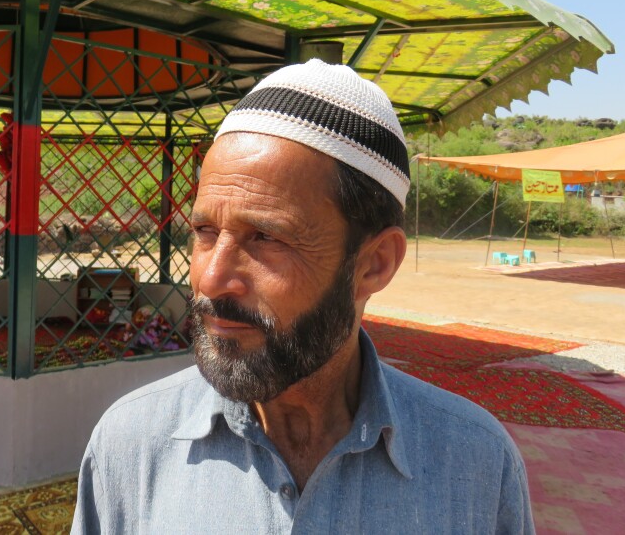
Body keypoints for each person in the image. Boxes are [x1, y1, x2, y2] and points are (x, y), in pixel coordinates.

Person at [72, 60, 534, 533]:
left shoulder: (477, 467)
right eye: (205, 231)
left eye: (266, 238)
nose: (210, 280)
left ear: (374, 264)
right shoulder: (129, 444)